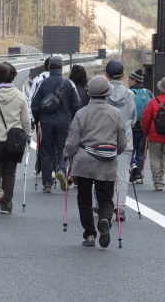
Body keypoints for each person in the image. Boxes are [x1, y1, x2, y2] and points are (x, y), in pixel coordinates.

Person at [64, 75, 127, 247]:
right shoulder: (116, 113)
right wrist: (115, 152)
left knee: (84, 199)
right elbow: (122, 143)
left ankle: (89, 235)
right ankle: (105, 220)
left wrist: (67, 154)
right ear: (107, 93)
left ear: (90, 93)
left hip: (84, 160)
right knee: (106, 198)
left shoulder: (81, 113)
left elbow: (72, 141)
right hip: (107, 160)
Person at [0, 62, 32, 214]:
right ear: (13, 77)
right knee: (9, 173)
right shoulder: (19, 96)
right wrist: (28, 135)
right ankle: (6, 206)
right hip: (14, 142)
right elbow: (26, 120)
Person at [31, 55, 81, 193]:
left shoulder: (42, 83)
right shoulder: (68, 84)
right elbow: (76, 106)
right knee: (63, 150)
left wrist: (36, 120)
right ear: (62, 67)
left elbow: (35, 105)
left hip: (46, 123)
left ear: (48, 67)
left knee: (46, 152)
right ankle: (61, 170)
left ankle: (47, 182)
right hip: (64, 123)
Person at [104, 60, 135, 221]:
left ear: (106, 75)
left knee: (102, 173)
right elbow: (134, 118)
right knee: (122, 176)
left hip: (104, 139)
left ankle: (100, 204)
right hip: (125, 140)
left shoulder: (103, 94)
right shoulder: (130, 95)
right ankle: (120, 208)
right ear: (123, 75)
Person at [141, 77, 165, 191]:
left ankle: (158, 183)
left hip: (154, 135)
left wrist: (146, 132)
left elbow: (146, 119)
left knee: (155, 158)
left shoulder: (154, 101)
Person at [128, 69, 151, 184]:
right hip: (144, 128)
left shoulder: (128, 93)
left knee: (130, 150)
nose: (128, 81)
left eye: (129, 79)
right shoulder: (148, 93)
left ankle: (132, 164)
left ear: (134, 80)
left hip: (132, 127)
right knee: (141, 152)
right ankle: (138, 176)